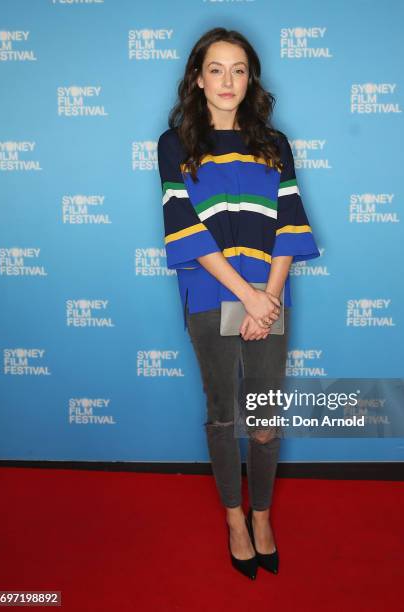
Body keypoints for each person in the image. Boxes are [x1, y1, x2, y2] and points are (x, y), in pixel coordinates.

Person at [157, 27, 321, 580]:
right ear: (197, 78)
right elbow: (184, 225)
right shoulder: (175, 143)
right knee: (224, 417)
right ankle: (234, 520)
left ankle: (262, 516)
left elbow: (291, 223)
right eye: (216, 69)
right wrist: (248, 296)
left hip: (269, 297)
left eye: (239, 69)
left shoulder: (275, 144)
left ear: (251, 79)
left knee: (266, 420)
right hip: (211, 293)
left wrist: (268, 298)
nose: (227, 80)